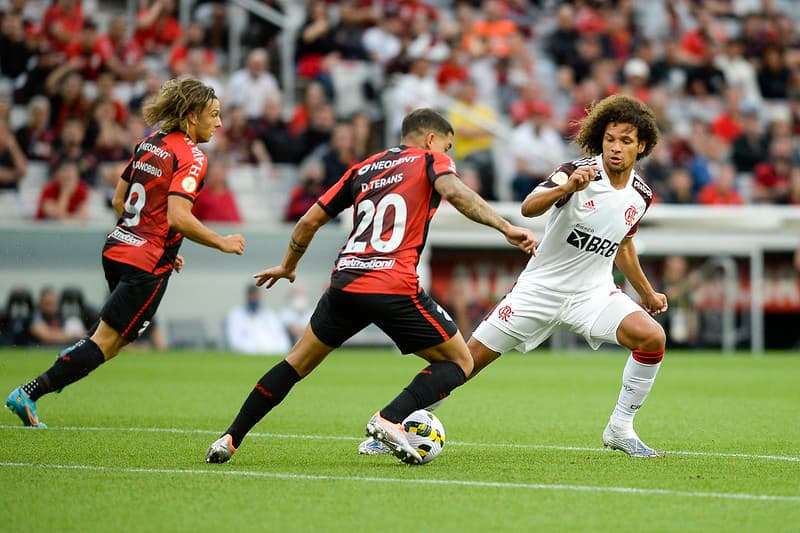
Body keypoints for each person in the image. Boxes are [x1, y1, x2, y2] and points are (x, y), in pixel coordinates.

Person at [205, 108, 537, 464]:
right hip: (392, 283)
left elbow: (308, 220)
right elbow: (455, 193)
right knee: (460, 361)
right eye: (447, 146)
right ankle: (390, 419)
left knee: (295, 363)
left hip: (346, 282)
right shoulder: (430, 160)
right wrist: (505, 227)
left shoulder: (363, 168)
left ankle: (230, 437)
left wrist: (288, 266)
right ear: (430, 140)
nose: (448, 154)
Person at [363, 95, 668, 459]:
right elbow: (529, 206)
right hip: (538, 292)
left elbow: (624, 244)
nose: (615, 148)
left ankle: (620, 428)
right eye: (610, 139)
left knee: (651, 338)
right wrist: (566, 189)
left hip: (593, 295)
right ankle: (394, 422)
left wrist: (646, 293)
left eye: (625, 141)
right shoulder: (576, 171)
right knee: (465, 361)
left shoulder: (641, 195)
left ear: (642, 145)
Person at [5, 77, 246, 428]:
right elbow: (178, 216)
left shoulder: (149, 143)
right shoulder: (192, 156)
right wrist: (220, 241)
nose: (219, 123)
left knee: (113, 343)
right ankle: (30, 391)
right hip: (145, 262)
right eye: (214, 114)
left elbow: (120, 199)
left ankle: (55, 374)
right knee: (103, 343)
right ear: (192, 116)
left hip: (118, 248)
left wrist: (159, 239)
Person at [225, 285, 293, 355]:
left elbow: (282, 339)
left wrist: (270, 349)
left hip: (271, 353)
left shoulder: (270, 315)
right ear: (247, 296)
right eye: (252, 295)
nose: (254, 298)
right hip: (248, 355)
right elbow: (234, 342)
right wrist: (257, 349)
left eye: (257, 295)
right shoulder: (236, 315)